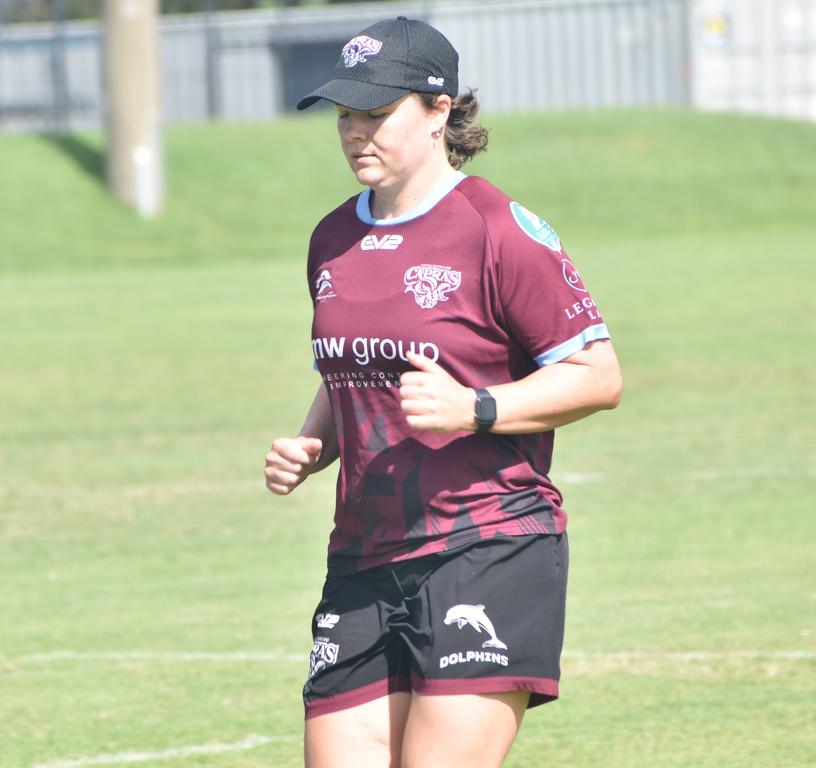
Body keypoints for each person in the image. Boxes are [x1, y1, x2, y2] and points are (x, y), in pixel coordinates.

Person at [264, 16, 622, 768]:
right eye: (345, 114)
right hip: (362, 559)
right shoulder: (331, 237)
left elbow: (598, 376)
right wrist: (312, 444)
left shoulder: (498, 229)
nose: (356, 132)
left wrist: (478, 408)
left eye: (377, 112)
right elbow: (355, 369)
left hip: (489, 546)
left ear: (438, 110)